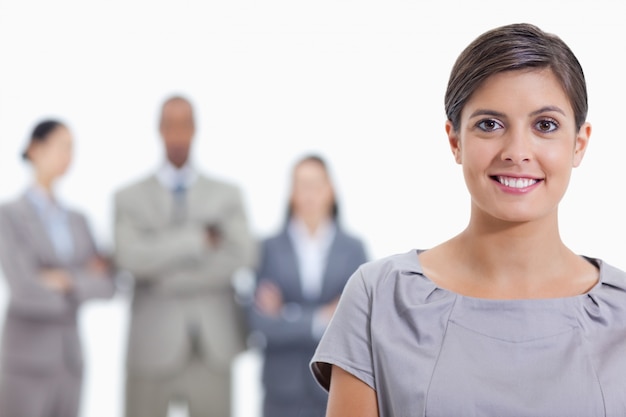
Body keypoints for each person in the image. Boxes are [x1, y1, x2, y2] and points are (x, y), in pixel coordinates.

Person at [310, 23, 626, 416]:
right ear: (455, 140)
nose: (517, 151)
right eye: (489, 125)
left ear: (579, 143)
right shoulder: (380, 298)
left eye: (545, 125)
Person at [113, 95, 256, 417]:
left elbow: (243, 255)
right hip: (151, 346)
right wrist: (196, 240)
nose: (178, 133)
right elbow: (128, 258)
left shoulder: (227, 194)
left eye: (185, 124)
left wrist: (162, 271)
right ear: (159, 129)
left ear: (196, 129)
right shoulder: (128, 197)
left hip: (213, 346)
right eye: (170, 125)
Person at [0, 119, 116, 417]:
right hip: (26, 361)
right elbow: (24, 289)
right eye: (61, 146)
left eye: (72, 148)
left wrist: (63, 280)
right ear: (35, 149)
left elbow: (109, 285)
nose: (68, 156)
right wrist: (82, 279)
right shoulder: (9, 216)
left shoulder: (78, 220)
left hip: (70, 359)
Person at [248, 154, 367, 417]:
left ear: (330, 191)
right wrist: (320, 318)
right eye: (302, 185)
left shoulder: (353, 250)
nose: (309, 194)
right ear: (291, 194)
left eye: (316, 185)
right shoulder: (268, 249)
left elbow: (357, 323)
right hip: (281, 390)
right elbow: (261, 322)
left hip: (335, 386)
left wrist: (286, 313)